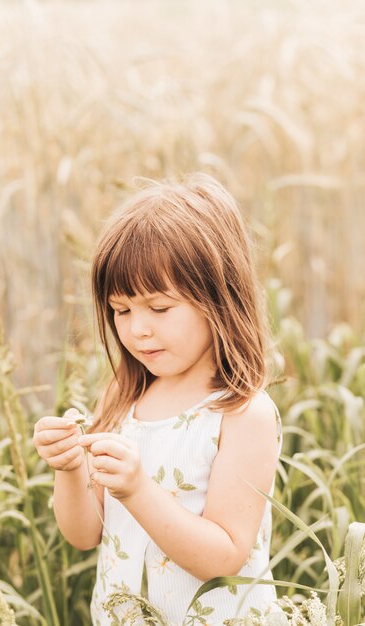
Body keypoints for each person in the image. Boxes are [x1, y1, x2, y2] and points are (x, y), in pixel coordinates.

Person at [33, 172, 283, 626]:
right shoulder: (122, 396)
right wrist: (69, 468)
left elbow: (224, 556)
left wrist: (137, 489)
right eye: (121, 310)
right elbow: (84, 533)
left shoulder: (242, 413)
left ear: (218, 297)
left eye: (160, 308)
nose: (137, 329)